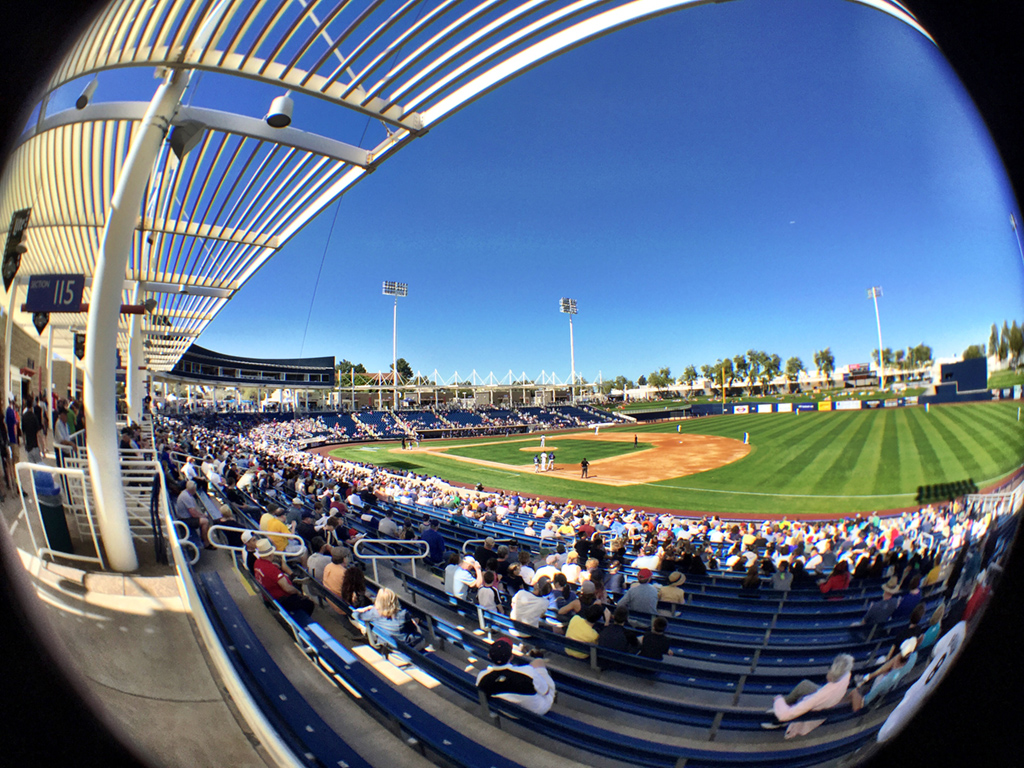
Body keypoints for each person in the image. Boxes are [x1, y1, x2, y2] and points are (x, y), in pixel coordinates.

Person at [762, 653, 854, 738]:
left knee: (790, 709)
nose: (828, 670)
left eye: (830, 669)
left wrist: (778, 699)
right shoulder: (846, 673)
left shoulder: (819, 697)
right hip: (829, 699)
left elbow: (785, 715)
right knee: (804, 685)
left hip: (818, 707)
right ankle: (785, 705)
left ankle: (778, 721)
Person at [475, 638, 556, 715]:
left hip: (506, 710)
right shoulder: (528, 671)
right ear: (511, 657)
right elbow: (545, 691)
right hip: (536, 710)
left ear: (489, 656)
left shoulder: (482, 676)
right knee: (538, 662)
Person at [252, 539, 315, 619]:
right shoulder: (271, 569)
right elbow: (288, 589)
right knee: (309, 604)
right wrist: (297, 592)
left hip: (269, 596)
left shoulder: (257, 563)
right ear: (270, 554)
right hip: (281, 600)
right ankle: (301, 621)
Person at [851, 638, 919, 711]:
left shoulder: (884, 681)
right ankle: (866, 679)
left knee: (878, 677)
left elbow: (863, 703)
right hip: (896, 680)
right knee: (883, 664)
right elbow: (891, 664)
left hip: (885, 687)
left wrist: (854, 694)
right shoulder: (914, 656)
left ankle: (866, 684)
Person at [355, 587, 422, 647]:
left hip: (385, 643)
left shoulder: (374, 613)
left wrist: (366, 608)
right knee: (422, 638)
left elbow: (356, 615)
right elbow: (413, 628)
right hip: (403, 647)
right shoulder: (402, 614)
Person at [174, 480, 212, 549]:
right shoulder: (187, 497)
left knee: (203, 518)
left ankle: (203, 538)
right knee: (205, 521)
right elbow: (193, 514)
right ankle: (206, 543)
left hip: (185, 517)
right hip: (185, 520)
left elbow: (194, 511)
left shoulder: (185, 493)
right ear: (193, 489)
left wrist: (201, 515)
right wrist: (203, 516)